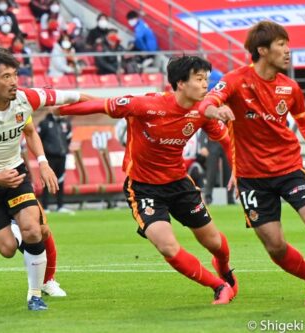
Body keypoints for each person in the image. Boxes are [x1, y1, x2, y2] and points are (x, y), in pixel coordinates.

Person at [57, 55, 237, 305]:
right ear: (180, 83)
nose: (205, 84)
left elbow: (226, 141)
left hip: (179, 184)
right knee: (167, 246)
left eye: (206, 79)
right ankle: (218, 286)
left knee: (214, 242)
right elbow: (99, 105)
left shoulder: (202, 111)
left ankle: (225, 269)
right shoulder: (145, 105)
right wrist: (59, 108)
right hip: (143, 188)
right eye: (199, 79)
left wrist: (237, 170)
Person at [201, 21, 305, 304]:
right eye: (282, 45)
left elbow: (304, 122)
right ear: (262, 50)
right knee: (274, 246)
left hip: (290, 169)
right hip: (252, 178)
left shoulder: (290, 87)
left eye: (287, 44)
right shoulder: (236, 80)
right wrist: (216, 109)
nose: (288, 51)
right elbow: (209, 100)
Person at [0, 48, 90, 310]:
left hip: (16, 175)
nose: (14, 81)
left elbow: (72, 95)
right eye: (6, 77)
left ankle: (34, 295)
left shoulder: (26, 98)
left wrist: (112, 108)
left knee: (35, 230)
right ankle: (13, 232)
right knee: (8, 249)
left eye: (15, 74)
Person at [37, 112, 73, 213]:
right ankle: (45, 206)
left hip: (62, 156)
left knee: (61, 180)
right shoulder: (44, 123)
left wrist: (64, 149)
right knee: (47, 181)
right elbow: (38, 139)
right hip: (49, 157)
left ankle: (60, 205)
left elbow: (68, 138)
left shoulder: (66, 123)